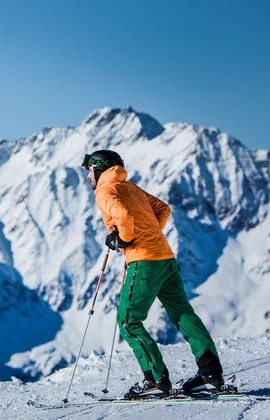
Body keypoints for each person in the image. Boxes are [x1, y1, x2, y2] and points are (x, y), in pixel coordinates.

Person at [82, 149, 225, 399]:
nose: (87, 177)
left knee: (128, 320)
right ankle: (210, 374)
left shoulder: (104, 191)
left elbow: (124, 217)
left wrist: (125, 240)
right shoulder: (131, 188)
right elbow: (164, 209)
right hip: (166, 258)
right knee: (182, 313)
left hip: (144, 262)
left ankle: (156, 380)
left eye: (89, 171)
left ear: (99, 169)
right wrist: (148, 234)